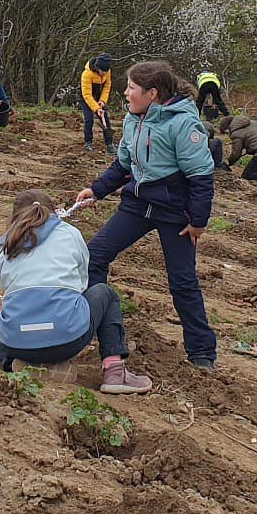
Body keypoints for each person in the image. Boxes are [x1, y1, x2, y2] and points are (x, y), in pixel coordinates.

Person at [74, 61, 218, 371]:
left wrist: (198, 221)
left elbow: (201, 176)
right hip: (137, 205)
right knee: (93, 257)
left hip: (174, 213)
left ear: (151, 93)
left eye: (131, 89)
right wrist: (97, 190)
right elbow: (123, 164)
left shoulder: (182, 124)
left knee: (182, 282)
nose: (124, 93)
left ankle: (202, 353)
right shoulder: (132, 119)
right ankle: (95, 334)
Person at [0, 190, 153, 394]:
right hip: (67, 340)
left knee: (9, 314)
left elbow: (7, 287)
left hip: (17, 343)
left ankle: (12, 363)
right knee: (105, 293)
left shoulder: (5, 245)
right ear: (52, 212)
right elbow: (82, 282)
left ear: (14, 217)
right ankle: (114, 372)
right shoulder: (69, 233)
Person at [80, 54, 114, 150]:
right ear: (97, 68)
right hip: (86, 97)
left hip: (99, 97)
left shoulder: (107, 72)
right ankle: (88, 142)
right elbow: (87, 95)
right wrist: (97, 108)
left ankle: (109, 144)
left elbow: (107, 87)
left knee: (105, 118)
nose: (104, 73)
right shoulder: (87, 74)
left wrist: (102, 101)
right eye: (102, 71)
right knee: (89, 119)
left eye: (106, 71)